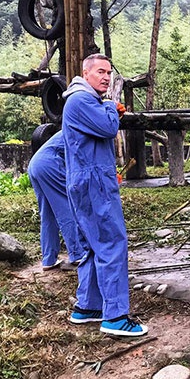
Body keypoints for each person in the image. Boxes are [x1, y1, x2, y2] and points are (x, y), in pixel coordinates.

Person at [61, 53, 147, 337]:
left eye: (109, 72)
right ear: (85, 74)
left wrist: (107, 108)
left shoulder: (83, 101)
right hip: (94, 182)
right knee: (112, 243)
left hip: (84, 179)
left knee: (91, 246)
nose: (106, 77)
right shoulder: (82, 100)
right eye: (100, 72)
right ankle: (116, 316)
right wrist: (111, 108)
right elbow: (109, 128)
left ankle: (88, 306)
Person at [27, 130, 86, 271]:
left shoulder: (73, 126)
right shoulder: (85, 129)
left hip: (35, 164)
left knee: (48, 214)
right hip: (49, 164)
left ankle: (48, 259)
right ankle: (78, 253)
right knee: (66, 207)